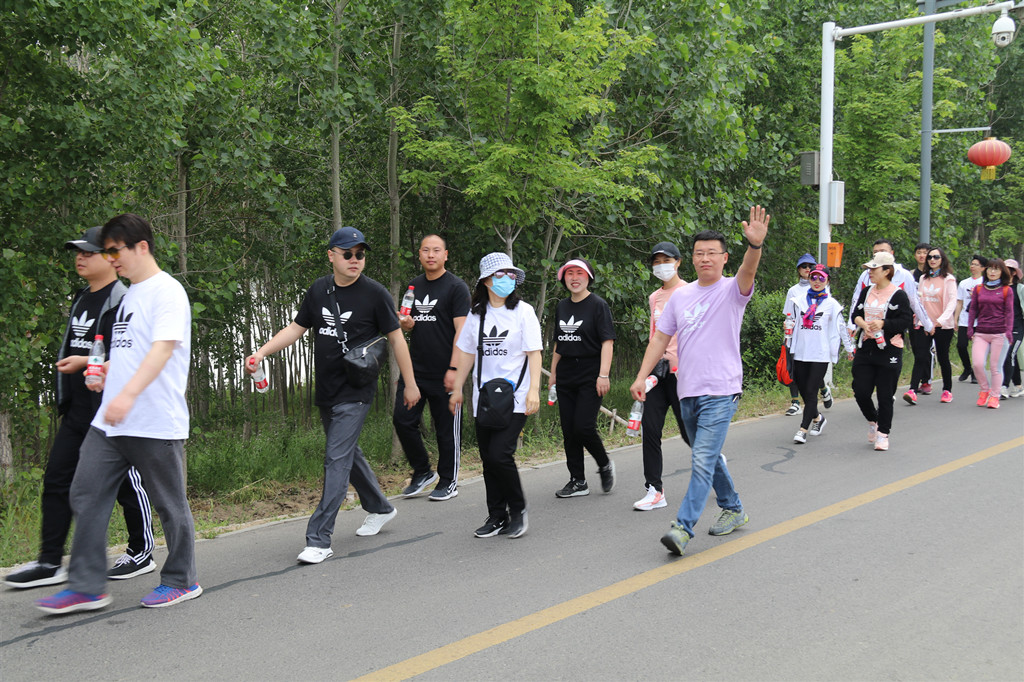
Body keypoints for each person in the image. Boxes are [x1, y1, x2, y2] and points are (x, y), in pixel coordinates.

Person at [35, 214, 200, 614]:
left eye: (114, 251)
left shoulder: (167, 292)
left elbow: (162, 351)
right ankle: (87, 586)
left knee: (169, 504)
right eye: (106, 252)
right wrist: (101, 370)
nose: (110, 259)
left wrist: (126, 394)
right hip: (111, 421)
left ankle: (181, 580)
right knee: (85, 492)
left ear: (141, 247)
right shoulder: (130, 296)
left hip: (154, 420)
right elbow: (130, 353)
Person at [246, 227, 421, 564]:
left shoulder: (375, 293)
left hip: (357, 391)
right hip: (327, 389)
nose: (355, 260)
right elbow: (295, 329)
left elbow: (397, 339)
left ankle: (319, 538)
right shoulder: (318, 290)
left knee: (335, 459)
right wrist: (262, 352)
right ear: (331, 256)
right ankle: (380, 507)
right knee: (347, 453)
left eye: (360, 254)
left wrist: (409, 383)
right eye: (348, 254)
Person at [6, 227, 155, 590]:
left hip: (109, 409)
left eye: (89, 252)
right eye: (78, 252)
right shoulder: (81, 298)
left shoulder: (124, 300)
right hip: (77, 409)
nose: (80, 257)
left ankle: (141, 552)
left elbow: (132, 355)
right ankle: (49, 561)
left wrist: (85, 362)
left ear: (110, 257)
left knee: (126, 484)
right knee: (57, 480)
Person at [629, 205, 770, 557]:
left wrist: (754, 245)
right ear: (691, 259)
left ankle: (682, 528)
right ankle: (733, 507)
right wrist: (641, 376)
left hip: (722, 390)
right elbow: (659, 339)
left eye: (712, 253)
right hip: (687, 389)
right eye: (699, 253)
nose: (705, 258)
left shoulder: (733, 289)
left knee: (702, 459)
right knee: (706, 455)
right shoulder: (680, 296)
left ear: (724, 258)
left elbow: (748, 270)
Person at [450, 253, 542, 539]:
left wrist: (534, 390)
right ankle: (496, 516)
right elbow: (467, 353)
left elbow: (534, 353)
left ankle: (519, 509)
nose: (507, 279)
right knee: (488, 460)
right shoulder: (476, 315)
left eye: (511, 274)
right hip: (485, 399)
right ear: (487, 281)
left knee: (500, 455)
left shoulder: (523, 312)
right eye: (500, 274)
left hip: (516, 396)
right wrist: (457, 388)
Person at [393, 235, 470, 501]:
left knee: (446, 431)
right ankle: (423, 471)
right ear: (419, 254)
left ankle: (448, 481)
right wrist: (406, 325)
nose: (431, 255)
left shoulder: (456, 287)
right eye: (426, 250)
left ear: (445, 255)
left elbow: (462, 331)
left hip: (446, 372)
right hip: (415, 371)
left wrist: (454, 368)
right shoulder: (413, 286)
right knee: (402, 420)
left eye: (436, 250)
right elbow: (407, 322)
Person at [548, 258, 616, 498]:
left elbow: (607, 342)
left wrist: (603, 375)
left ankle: (604, 464)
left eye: (580, 273)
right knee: (569, 430)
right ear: (563, 278)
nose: (574, 278)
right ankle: (578, 481)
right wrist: (553, 373)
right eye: (570, 273)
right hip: (566, 372)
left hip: (591, 372)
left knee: (583, 426)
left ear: (589, 277)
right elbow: (559, 343)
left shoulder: (598, 305)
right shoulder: (561, 306)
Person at [632, 242, 690, 511]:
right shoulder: (654, 297)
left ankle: (714, 464)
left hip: (683, 374)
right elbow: (655, 337)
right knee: (650, 429)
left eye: (666, 260)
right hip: (658, 373)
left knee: (689, 433)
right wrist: (642, 375)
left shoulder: (690, 291)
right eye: (656, 262)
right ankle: (655, 490)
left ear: (678, 262)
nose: (661, 266)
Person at [850, 251, 914, 452]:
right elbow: (855, 314)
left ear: (887, 271)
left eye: (874, 269)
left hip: (889, 349)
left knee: (885, 395)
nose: (869, 272)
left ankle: (883, 434)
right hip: (866, 347)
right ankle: (873, 420)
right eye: (869, 269)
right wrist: (864, 324)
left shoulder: (899, 295)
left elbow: (905, 321)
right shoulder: (866, 291)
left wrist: (883, 323)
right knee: (860, 390)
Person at [785, 265, 853, 444]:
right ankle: (817, 418)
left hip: (820, 354)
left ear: (827, 281)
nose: (817, 281)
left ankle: (802, 429)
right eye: (813, 277)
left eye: (821, 278)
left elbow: (841, 327)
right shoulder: (798, 300)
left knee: (811, 390)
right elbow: (791, 319)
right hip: (800, 352)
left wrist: (850, 349)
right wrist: (788, 328)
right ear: (809, 279)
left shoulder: (831, 304)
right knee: (803, 389)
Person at [782, 253, 834, 417]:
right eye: (803, 266)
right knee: (795, 368)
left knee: (813, 370)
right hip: (798, 335)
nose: (807, 269)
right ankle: (795, 402)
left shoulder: (822, 287)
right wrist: (788, 330)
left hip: (816, 336)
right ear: (798, 270)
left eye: (810, 266)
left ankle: (823, 389)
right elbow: (789, 314)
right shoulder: (793, 291)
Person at [848, 239, 932, 337]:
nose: (878, 254)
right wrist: (851, 324)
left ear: (892, 253)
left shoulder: (904, 275)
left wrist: (928, 325)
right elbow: (856, 300)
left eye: (883, 251)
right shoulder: (866, 275)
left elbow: (914, 302)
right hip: (868, 331)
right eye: (875, 252)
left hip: (892, 331)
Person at [908, 246, 957, 404]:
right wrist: (922, 321)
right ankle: (912, 390)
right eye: (930, 257)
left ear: (942, 259)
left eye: (936, 257)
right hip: (925, 324)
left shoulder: (948, 279)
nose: (932, 260)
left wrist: (939, 321)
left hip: (943, 325)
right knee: (920, 356)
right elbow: (919, 300)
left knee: (943, 357)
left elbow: (952, 303)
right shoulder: (924, 278)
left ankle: (947, 390)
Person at [968, 258, 1015, 409]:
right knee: (977, 364)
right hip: (981, 332)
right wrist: (970, 328)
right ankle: (984, 390)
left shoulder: (1007, 290)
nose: (992, 272)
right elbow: (973, 309)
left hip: (999, 334)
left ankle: (995, 396)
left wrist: (1008, 332)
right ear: (985, 270)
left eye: (996, 269)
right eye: (990, 268)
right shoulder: (979, 289)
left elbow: (1009, 313)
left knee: (996, 367)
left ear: (1002, 272)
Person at [953, 255, 986, 383]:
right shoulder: (964, 283)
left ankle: (976, 373)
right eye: (972, 264)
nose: (972, 266)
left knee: (977, 349)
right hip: (965, 320)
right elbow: (959, 302)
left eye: (976, 264)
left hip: (980, 321)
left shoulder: (985, 283)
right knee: (961, 345)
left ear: (983, 268)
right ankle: (967, 368)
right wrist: (955, 319)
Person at [998, 258, 1023, 399]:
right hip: (1002, 327)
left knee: (1009, 354)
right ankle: (1018, 385)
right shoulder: (999, 288)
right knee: (1009, 356)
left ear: (1014, 273)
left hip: (1017, 327)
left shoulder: (1020, 289)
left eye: (1007, 269)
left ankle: (1004, 386)